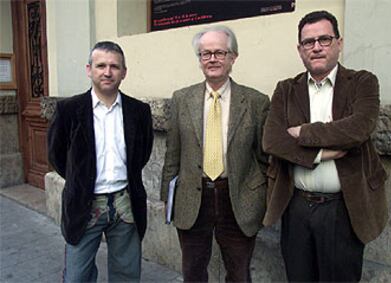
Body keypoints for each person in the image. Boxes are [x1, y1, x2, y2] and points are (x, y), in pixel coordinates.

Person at [262, 10, 388, 282]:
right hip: (295, 207)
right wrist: (321, 153)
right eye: (309, 42)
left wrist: (303, 132)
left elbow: (358, 128)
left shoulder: (363, 82)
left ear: (339, 43)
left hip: (343, 208)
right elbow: (272, 140)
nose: (316, 47)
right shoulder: (286, 89)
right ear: (300, 49)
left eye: (324, 39)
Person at [161, 25, 269, 282]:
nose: (212, 59)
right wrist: (167, 195)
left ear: (233, 57)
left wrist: (260, 194)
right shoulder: (181, 99)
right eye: (205, 53)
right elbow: (172, 153)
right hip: (192, 197)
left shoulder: (256, 101)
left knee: (239, 271)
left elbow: (265, 157)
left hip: (237, 196)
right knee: (193, 270)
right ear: (199, 60)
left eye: (220, 52)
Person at [48, 41, 153, 282]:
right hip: (85, 203)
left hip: (125, 202)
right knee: (77, 276)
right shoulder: (68, 110)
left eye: (114, 66)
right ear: (89, 70)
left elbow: (142, 153)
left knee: (126, 274)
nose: (108, 72)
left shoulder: (139, 111)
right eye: (101, 65)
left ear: (124, 72)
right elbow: (57, 155)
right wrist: (81, 179)